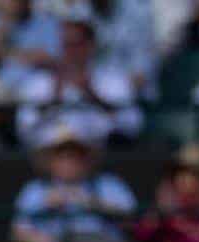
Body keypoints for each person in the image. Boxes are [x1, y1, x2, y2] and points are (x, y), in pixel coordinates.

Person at [15, 11, 142, 149]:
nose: (70, 51)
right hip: (51, 155)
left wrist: (92, 95)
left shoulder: (114, 80)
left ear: (91, 45)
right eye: (64, 45)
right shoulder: (38, 83)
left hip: (99, 154)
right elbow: (24, 129)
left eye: (76, 44)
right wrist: (54, 96)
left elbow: (132, 125)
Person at [10, 122, 135, 242]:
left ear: (87, 159)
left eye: (76, 156)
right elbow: (19, 232)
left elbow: (130, 217)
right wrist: (45, 207)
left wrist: (91, 202)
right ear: (50, 160)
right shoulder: (35, 189)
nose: (70, 162)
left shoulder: (107, 184)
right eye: (62, 157)